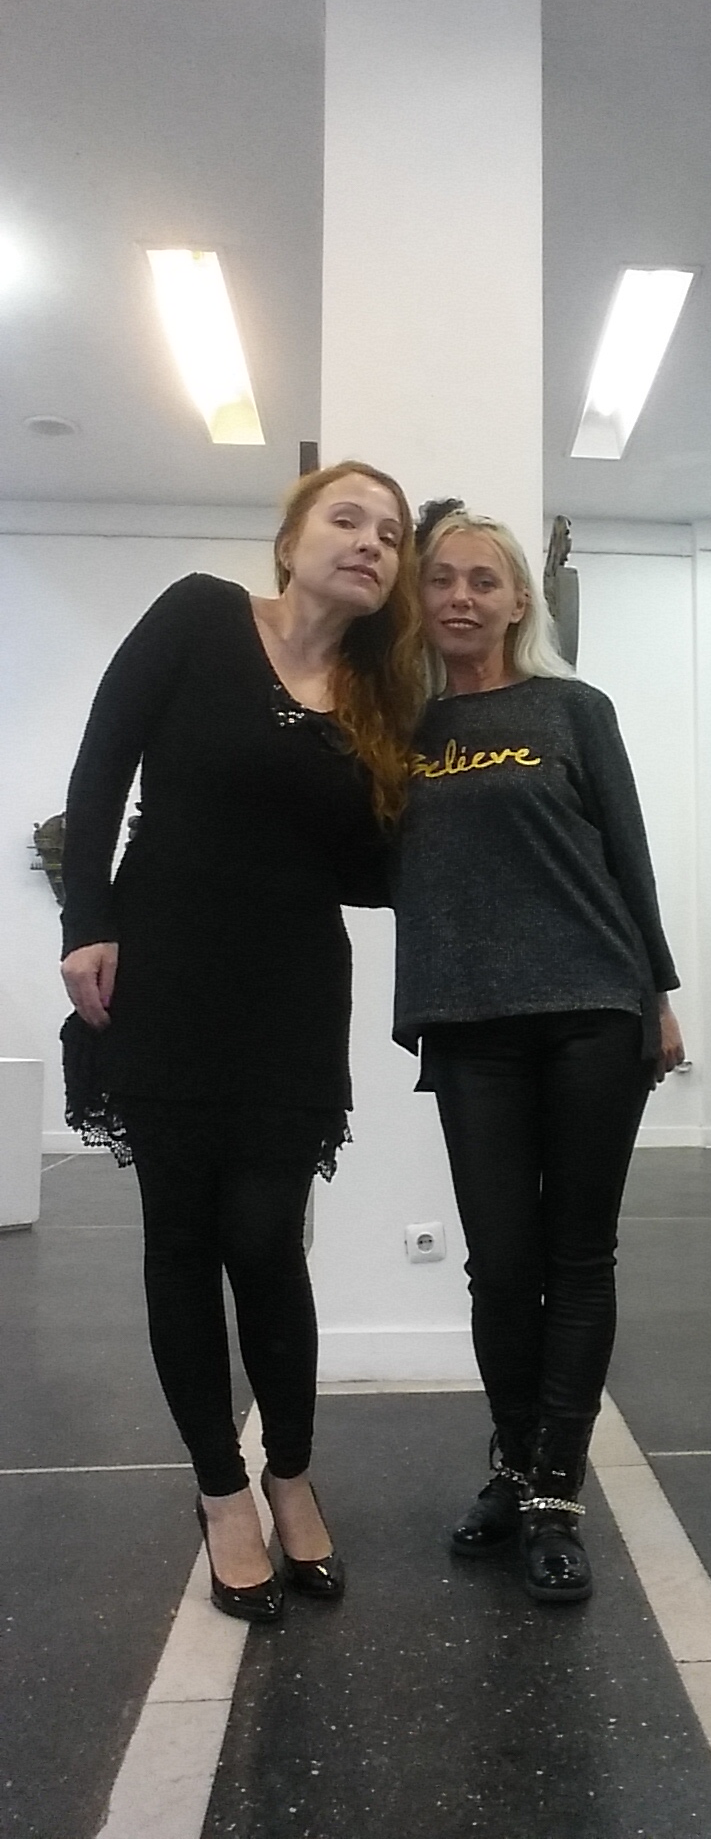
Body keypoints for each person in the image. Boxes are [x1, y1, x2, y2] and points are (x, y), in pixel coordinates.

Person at [60, 462, 424, 1622]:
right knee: (180, 1236)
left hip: (292, 991)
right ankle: (221, 1493)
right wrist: (85, 923)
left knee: (266, 1239)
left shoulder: (379, 699)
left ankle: (292, 1475)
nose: (369, 542)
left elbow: (370, 870)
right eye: (347, 518)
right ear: (292, 537)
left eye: (391, 534)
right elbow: (100, 766)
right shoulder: (198, 617)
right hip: (167, 972)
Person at [392, 506, 684, 1605]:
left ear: (521, 600)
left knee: (578, 1257)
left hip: (592, 1004)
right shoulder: (405, 730)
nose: (461, 597)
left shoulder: (574, 709)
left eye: (484, 580)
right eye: (442, 580)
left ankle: (554, 1491)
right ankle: (515, 1466)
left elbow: (629, 856)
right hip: (470, 1018)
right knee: (500, 1265)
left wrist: (657, 995)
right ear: (419, 601)